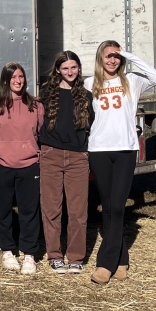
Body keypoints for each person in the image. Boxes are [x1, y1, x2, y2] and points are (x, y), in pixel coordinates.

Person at [85, 41, 156, 285]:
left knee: (117, 206)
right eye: (108, 56)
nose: (113, 60)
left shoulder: (132, 80)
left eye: (117, 57)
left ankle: (105, 264)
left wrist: (127, 53)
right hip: (99, 149)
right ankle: (121, 259)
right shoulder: (90, 83)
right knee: (108, 206)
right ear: (100, 58)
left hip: (126, 149)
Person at [39, 51, 94, 274]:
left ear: (79, 69)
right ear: (58, 71)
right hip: (50, 154)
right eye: (65, 68)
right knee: (52, 209)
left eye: (73, 67)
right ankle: (54, 255)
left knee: (78, 211)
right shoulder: (46, 94)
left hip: (78, 158)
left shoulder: (86, 95)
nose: (69, 72)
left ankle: (76, 258)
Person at [0, 63, 45, 275]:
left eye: (21, 76)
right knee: (2, 211)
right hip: (2, 164)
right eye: (13, 77)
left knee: (29, 211)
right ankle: (7, 250)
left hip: (29, 164)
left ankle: (29, 254)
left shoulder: (35, 104)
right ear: (5, 80)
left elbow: (40, 132)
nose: (18, 80)